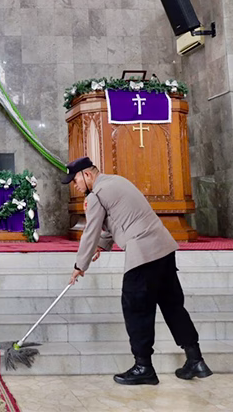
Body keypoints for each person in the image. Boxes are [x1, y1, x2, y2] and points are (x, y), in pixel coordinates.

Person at [64, 156, 212, 385]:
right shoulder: (116, 181)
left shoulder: (96, 196)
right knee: (172, 305)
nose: (75, 186)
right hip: (163, 248)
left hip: (143, 253)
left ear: (87, 174)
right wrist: (101, 246)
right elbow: (118, 221)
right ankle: (196, 359)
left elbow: (90, 231)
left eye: (75, 180)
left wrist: (79, 265)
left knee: (135, 308)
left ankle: (144, 367)